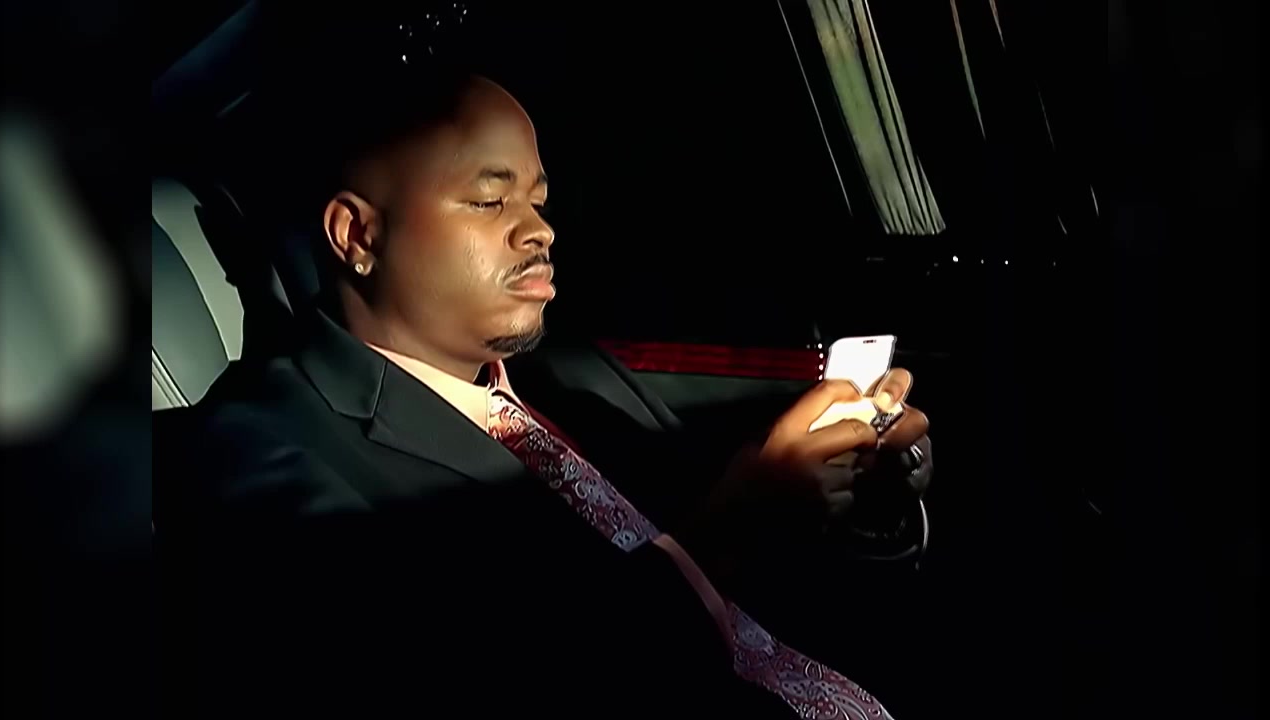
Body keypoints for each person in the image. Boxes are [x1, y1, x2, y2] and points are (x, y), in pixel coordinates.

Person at [156, 65, 933, 719]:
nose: (539, 230)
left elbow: (773, 580)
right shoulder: (252, 455)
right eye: (490, 201)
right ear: (357, 235)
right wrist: (728, 531)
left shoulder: (579, 380)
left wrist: (861, 493)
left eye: (538, 201)